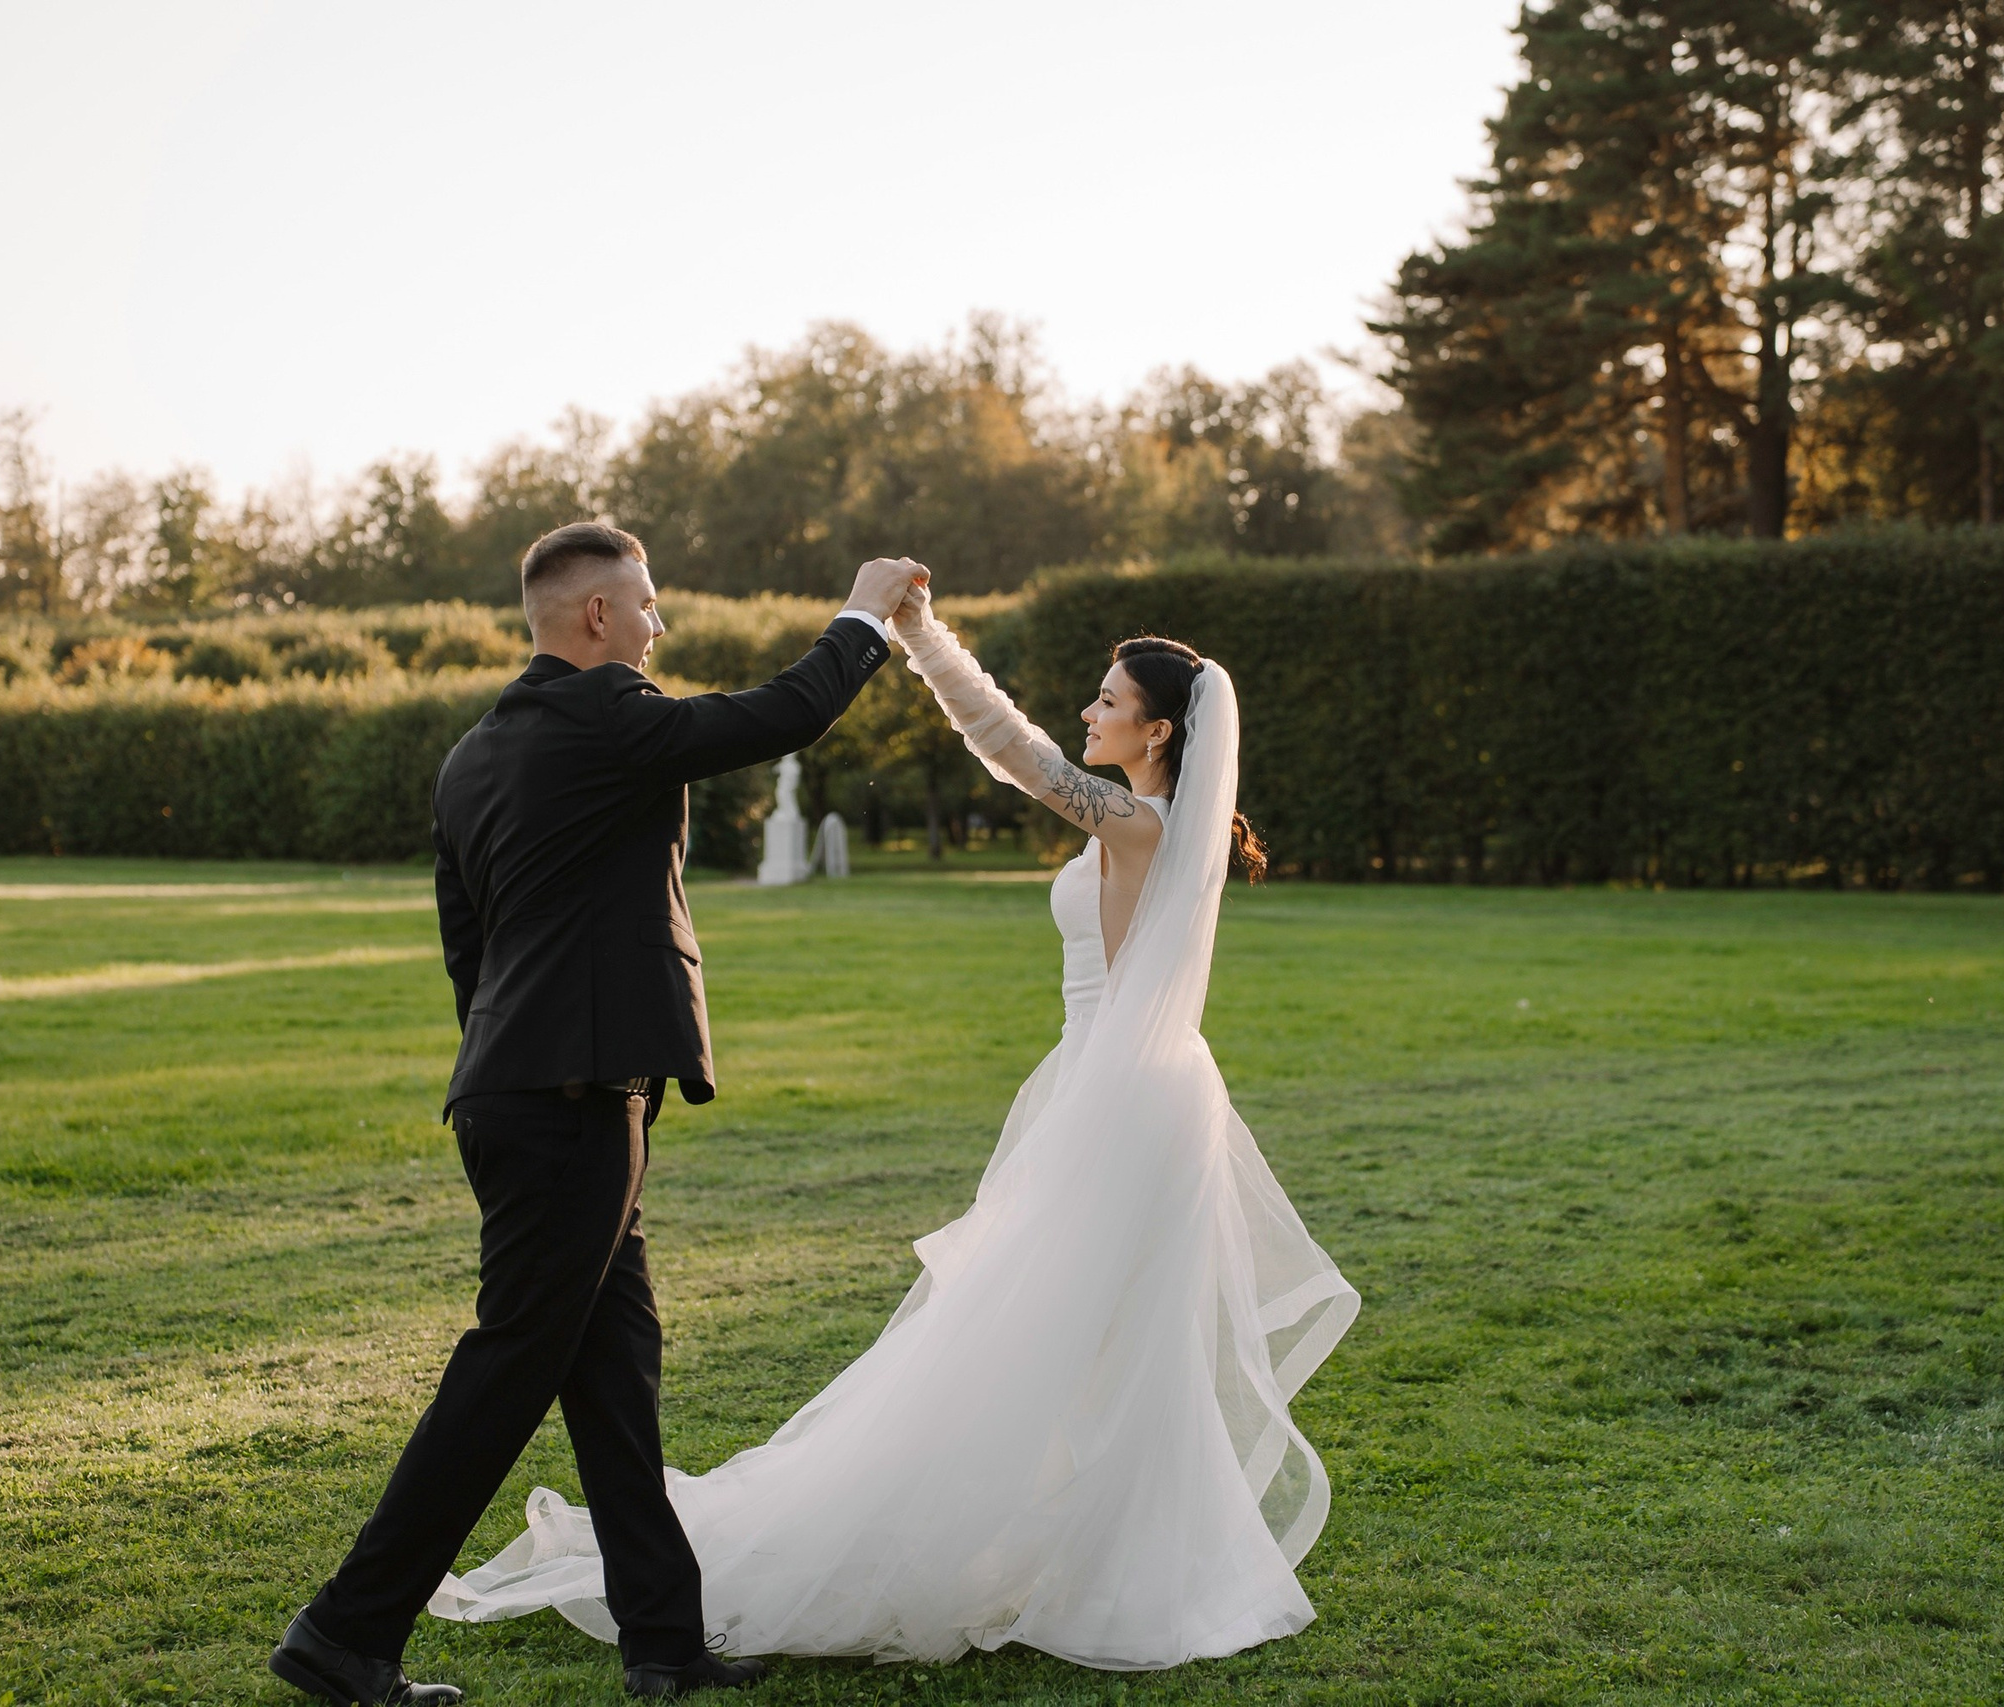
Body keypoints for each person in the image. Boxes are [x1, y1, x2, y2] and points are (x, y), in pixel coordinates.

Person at [431, 581, 1359, 1671]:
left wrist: (918, 636)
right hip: (1124, 1089)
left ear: (1159, 730)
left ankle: (1084, 1566)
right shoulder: (1146, 824)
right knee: (1092, 1337)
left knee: (1042, 1334)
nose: (1087, 714)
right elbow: (1030, 752)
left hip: (1121, 1103)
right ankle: (1102, 1560)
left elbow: (1012, 751)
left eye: (1106, 702)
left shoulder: (1142, 825)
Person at [269, 524, 925, 1705]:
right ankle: (343, 1631)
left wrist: (518, 1057)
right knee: (511, 1363)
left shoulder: (473, 755)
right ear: (596, 621)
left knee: (616, 1375)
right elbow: (772, 715)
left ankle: (664, 1646)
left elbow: (465, 945)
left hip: (521, 1092)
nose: (659, 629)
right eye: (650, 608)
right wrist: (863, 616)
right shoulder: (611, 717)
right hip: (568, 1104)